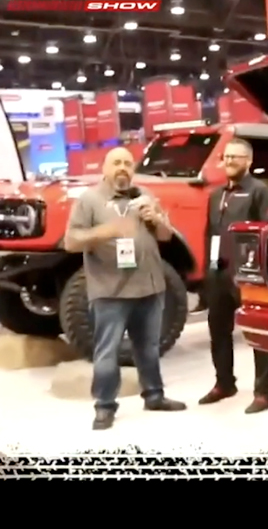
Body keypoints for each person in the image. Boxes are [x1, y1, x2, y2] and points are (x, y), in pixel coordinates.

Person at [64, 147, 187, 430]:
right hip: (110, 291)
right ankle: (105, 406)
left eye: (128, 163)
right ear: (105, 169)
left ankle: (154, 396)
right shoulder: (89, 200)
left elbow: (166, 236)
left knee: (149, 348)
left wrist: (157, 219)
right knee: (107, 351)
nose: (122, 168)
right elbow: (71, 241)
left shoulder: (145, 195)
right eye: (116, 163)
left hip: (149, 287)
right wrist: (107, 231)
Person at [198, 138, 268, 413]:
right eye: (227, 156)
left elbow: (267, 233)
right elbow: (209, 233)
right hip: (218, 273)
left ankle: (265, 392)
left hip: (248, 275)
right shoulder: (216, 195)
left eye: (236, 156)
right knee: (218, 330)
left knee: (258, 333)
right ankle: (224, 383)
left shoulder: (260, 191)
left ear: (249, 161)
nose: (230, 161)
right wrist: (207, 270)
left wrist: (257, 272)